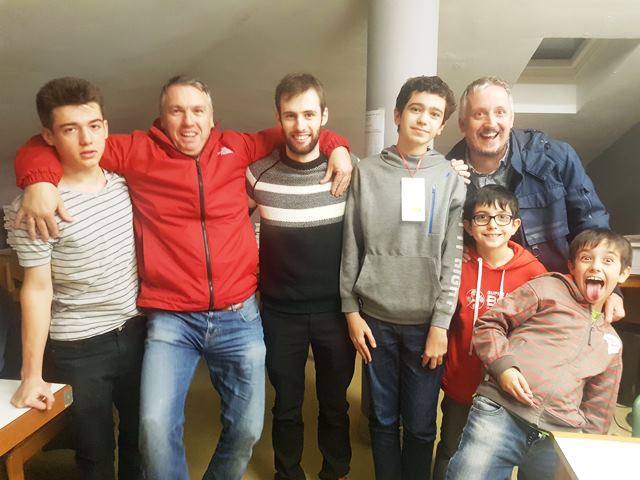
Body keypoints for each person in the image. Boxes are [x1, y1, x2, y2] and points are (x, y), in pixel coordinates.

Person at [12, 75, 353, 480]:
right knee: (155, 427)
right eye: (177, 111)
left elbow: (299, 130)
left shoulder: (238, 147)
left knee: (247, 429)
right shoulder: (136, 150)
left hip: (238, 315)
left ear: (212, 116)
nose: (189, 121)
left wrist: (339, 146)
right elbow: (54, 142)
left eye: (197, 111)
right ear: (162, 117)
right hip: (171, 319)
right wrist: (37, 179)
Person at [4, 77, 145, 479]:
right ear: (48, 136)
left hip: (137, 331)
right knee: (94, 453)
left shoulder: (126, 186)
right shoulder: (33, 209)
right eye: (70, 129)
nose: (87, 139)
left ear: (105, 126)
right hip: (79, 346)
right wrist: (32, 375)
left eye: (94, 126)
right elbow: (36, 290)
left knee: (140, 440)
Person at [341, 75, 466, 479]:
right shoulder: (366, 172)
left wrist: (441, 324)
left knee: (421, 424)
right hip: (374, 319)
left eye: (434, 114)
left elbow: (453, 257)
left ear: (441, 125)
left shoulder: (449, 178)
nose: (423, 119)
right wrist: (350, 309)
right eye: (415, 109)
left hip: (425, 324)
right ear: (397, 114)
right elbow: (351, 242)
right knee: (381, 419)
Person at [446, 228, 630, 480]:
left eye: (608, 260)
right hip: (501, 413)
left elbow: (599, 408)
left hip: (558, 435)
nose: (596, 266)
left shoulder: (612, 343)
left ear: (623, 273)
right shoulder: (546, 288)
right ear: (571, 266)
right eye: (586, 258)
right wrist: (503, 368)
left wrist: (583, 452)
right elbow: (489, 324)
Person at [246, 73, 355, 480]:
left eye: (309, 114)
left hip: (336, 311)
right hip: (280, 313)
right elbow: (228, 222)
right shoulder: (257, 174)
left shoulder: (347, 172)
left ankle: (335, 471)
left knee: (335, 403)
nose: (300, 125)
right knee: (286, 405)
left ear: (324, 116)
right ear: (278, 118)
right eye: (291, 115)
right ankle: (287, 473)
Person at [446, 76, 624, 322]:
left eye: (500, 112)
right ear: (462, 123)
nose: (491, 123)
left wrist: (611, 289)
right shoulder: (445, 175)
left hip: (556, 303)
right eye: (479, 114)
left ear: (511, 118)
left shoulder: (555, 159)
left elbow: (592, 227)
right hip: (482, 308)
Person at [432, 185, 546, 480]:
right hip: (461, 380)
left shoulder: (534, 273)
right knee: (450, 448)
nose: (492, 224)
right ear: (468, 226)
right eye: (482, 217)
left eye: (501, 217)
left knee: (491, 459)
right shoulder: (456, 266)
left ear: (515, 225)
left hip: (503, 389)